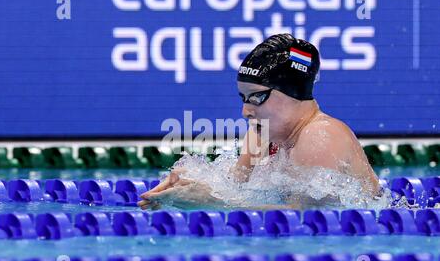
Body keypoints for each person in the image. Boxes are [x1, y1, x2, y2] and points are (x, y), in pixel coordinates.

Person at [138, 33, 381, 210]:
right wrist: (188, 186)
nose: (245, 110)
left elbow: (305, 219)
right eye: (244, 98)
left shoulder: (320, 136)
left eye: (257, 97)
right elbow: (236, 187)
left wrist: (210, 202)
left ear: (292, 92)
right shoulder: (261, 134)